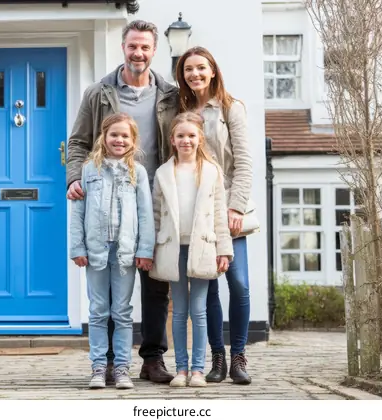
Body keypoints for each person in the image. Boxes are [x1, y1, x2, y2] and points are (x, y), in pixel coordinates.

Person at [66, 19, 179, 384]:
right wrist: (74, 179)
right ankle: (111, 363)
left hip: (155, 195)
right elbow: (79, 142)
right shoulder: (98, 93)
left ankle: (152, 358)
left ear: (154, 50)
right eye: (133, 46)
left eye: (145, 47)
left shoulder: (169, 94)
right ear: (123, 47)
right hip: (105, 198)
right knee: (110, 291)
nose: (139, 53)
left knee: (154, 280)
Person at [175, 46, 254, 384]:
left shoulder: (230, 108)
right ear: (183, 75)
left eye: (201, 68)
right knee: (207, 288)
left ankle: (239, 356)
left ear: (212, 70)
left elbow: (245, 163)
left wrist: (235, 206)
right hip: (196, 213)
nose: (195, 74)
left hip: (228, 210)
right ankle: (217, 358)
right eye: (189, 69)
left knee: (238, 284)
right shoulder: (178, 109)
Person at [69, 112, 155, 389]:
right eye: (114, 134)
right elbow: (77, 213)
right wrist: (77, 247)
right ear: (103, 137)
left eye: (125, 136)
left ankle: (121, 369)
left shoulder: (137, 172)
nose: (119, 140)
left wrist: (145, 249)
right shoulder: (88, 170)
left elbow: (145, 215)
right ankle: (97, 367)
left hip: (125, 253)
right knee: (97, 311)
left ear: (133, 140)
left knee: (121, 311)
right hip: (95, 251)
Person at [148, 112, 234, 388]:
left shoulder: (211, 172)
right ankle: (181, 369)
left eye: (191, 135)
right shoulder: (163, 173)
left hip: (203, 247)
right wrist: (151, 249)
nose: (186, 140)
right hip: (173, 248)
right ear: (172, 140)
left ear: (200, 139)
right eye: (181, 136)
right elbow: (155, 215)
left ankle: (198, 369)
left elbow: (220, 214)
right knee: (179, 310)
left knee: (199, 310)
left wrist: (224, 249)